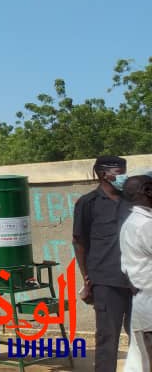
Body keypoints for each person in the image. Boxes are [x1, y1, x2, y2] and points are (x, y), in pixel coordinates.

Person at [74, 155, 134, 372]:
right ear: (102, 174)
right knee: (107, 339)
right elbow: (79, 241)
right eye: (119, 173)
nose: (123, 177)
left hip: (138, 279)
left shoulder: (134, 201)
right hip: (106, 280)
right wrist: (87, 277)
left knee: (142, 335)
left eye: (124, 171)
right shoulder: (88, 203)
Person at [121, 176, 152, 372]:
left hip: (142, 302)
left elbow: (125, 269)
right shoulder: (145, 225)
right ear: (148, 191)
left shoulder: (130, 223)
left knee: (142, 361)